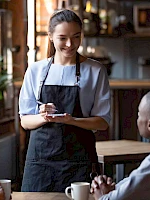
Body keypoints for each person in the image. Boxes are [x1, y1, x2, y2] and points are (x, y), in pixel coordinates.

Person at [19, 9, 111, 192]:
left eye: (76, 37)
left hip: (79, 161)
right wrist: (43, 116)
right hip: (40, 163)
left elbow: (102, 122)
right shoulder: (35, 71)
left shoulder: (95, 70)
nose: (70, 44)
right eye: (63, 38)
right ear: (51, 37)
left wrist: (72, 121)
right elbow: (25, 121)